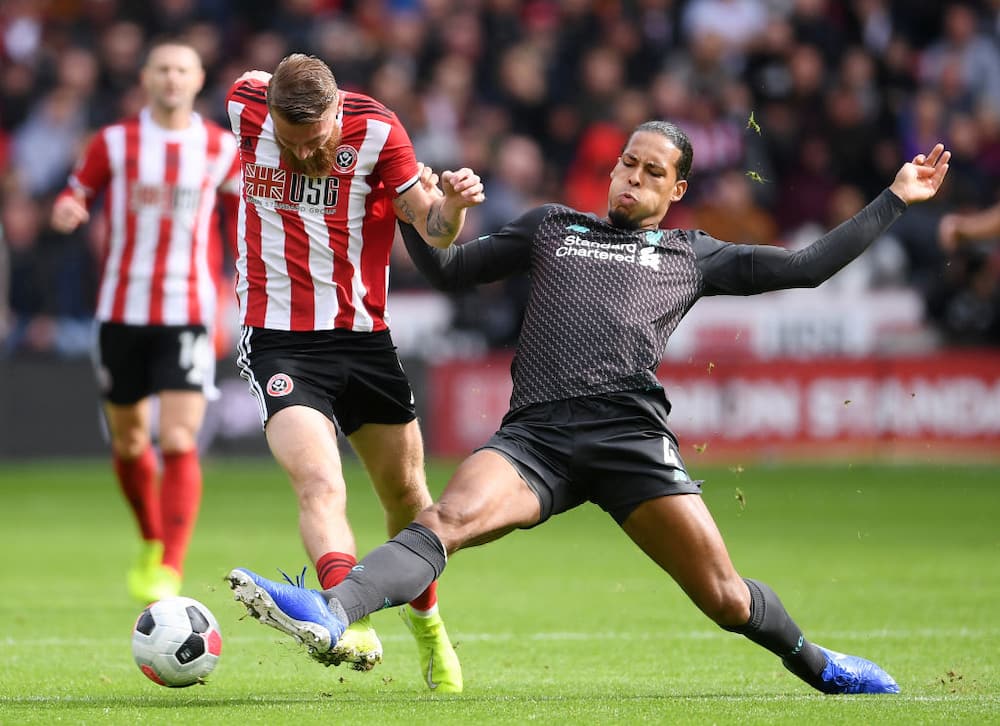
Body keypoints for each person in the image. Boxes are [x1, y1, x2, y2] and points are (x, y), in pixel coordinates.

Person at [227, 121, 949, 694]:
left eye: (653, 171)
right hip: (534, 441)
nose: (634, 178)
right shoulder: (550, 227)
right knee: (440, 522)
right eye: (628, 163)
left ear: (678, 188)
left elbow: (808, 268)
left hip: (630, 442)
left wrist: (895, 197)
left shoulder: (691, 255)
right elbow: (448, 271)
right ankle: (331, 611)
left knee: (727, 600)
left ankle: (818, 664)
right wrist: (430, 209)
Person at [222, 53, 484, 693]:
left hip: (363, 340)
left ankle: (429, 629)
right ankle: (344, 619)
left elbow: (435, 228)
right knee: (318, 482)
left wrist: (452, 206)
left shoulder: (378, 130)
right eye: (289, 142)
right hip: (280, 339)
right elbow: (257, 78)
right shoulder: (244, 105)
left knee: (408, 499)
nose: (303, 153)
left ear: (338, 109)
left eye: (315, 142)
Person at [50, 38, 241, 603]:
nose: (172, 79)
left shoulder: (219, 148)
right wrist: (70, 208)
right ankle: (151, 540)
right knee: (131, 442)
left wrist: (237, 289)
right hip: (120, 312)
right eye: (162, 69)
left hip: (188, 311)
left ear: (198, 77)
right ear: (146, 77)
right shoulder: (115, 142)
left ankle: (171, 565)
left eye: (182, 69)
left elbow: (249, 216)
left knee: (179, 437)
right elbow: (77, 191)